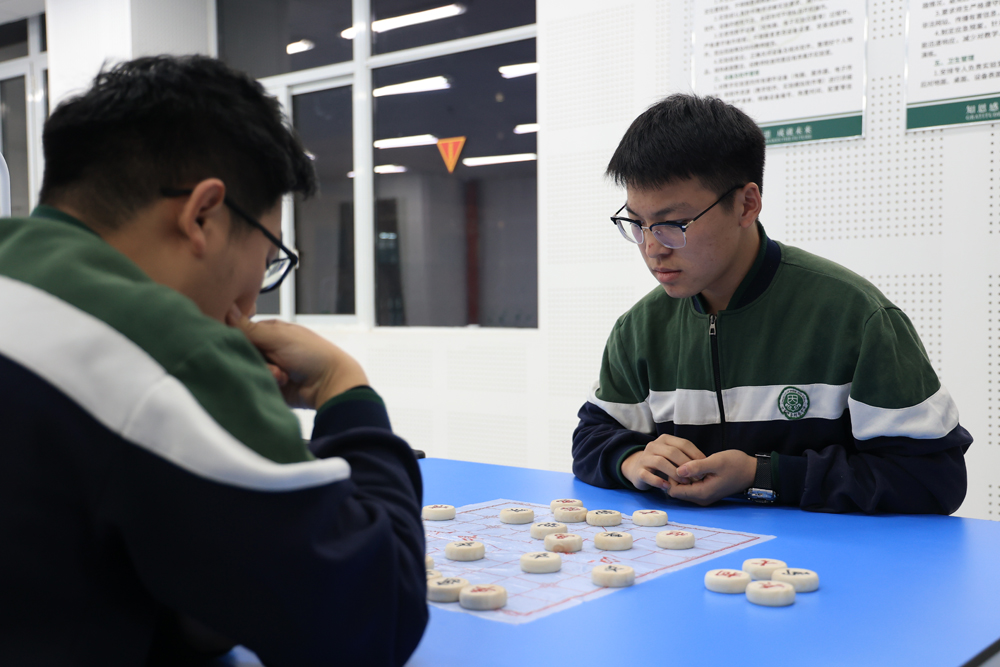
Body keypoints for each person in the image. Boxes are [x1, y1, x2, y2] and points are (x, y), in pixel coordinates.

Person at [0, 56, 427, 666]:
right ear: (203, 214)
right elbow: (374, 619)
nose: (251, 303)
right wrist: (344, 388)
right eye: (269, 257)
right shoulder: (171, 354)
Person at [572, 94, 972, 514]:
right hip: (689, 551)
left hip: (820, 554)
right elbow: (591, 438)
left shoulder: (855, 318)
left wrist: (762, 474)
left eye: (674, 224)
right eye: (637, 223)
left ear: (747, 204)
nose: (653, 247)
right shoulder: (640, 329)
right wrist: (631, 460)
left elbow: (933, 478)